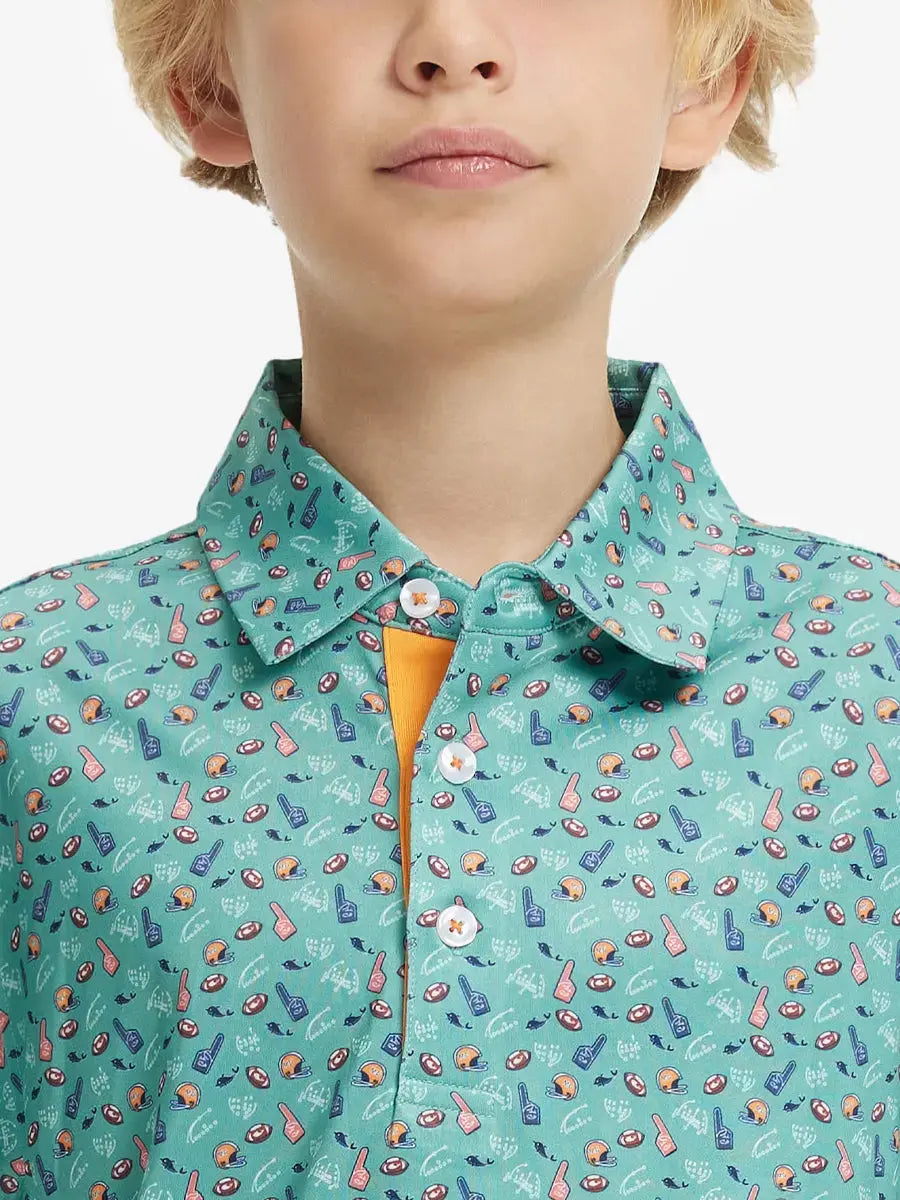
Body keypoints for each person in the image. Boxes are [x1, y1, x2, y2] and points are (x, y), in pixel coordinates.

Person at [1, 2, 897, 1198]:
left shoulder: (874, 692)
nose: (455, 38)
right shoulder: (34, 701)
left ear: (706, 74)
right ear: (209, 81)